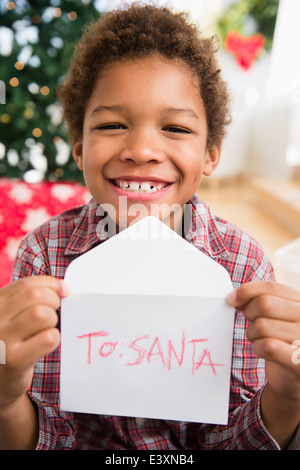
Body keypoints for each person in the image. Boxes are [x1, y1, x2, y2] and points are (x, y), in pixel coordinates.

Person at [0, 4, 300, 451]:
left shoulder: (242, 262)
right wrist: (5, 398)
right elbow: (43, 437)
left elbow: (235, 439)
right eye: (112, 124)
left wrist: (287, 395)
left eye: (175, 127)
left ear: (211, 154)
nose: (141, 149)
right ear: (80, 150)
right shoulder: (43, 255)